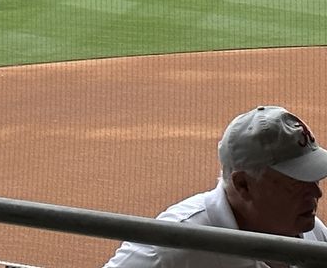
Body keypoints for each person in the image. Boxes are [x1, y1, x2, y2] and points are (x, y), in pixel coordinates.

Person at [103, 105, 327, 268]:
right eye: (297, 183)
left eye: (314, 179)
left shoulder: (310, 231)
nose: (317, 192)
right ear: (243, 185)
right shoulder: (171, 248)